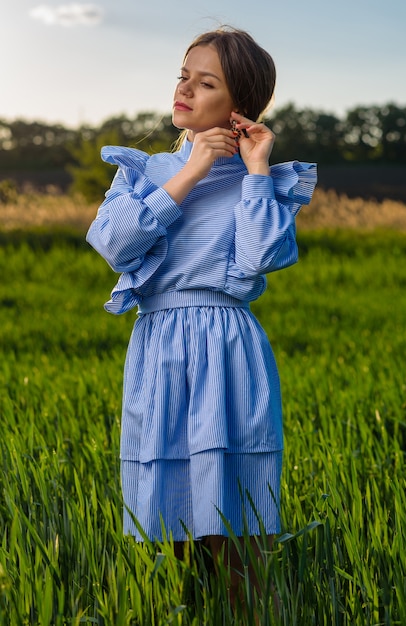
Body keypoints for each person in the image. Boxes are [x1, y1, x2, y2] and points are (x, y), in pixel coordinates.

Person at [86, 26, 317, 610]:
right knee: (167, 519)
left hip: (227, 346)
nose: (184, 88)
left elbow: (261, 258)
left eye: (205, 81)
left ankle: (249, 612)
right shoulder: (140, 171)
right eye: (183, 75)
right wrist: (188, 175)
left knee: (236, 512)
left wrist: (258, 168)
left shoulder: (259, 182)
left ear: (239, 104)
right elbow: (116, 245)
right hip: (157, 347)